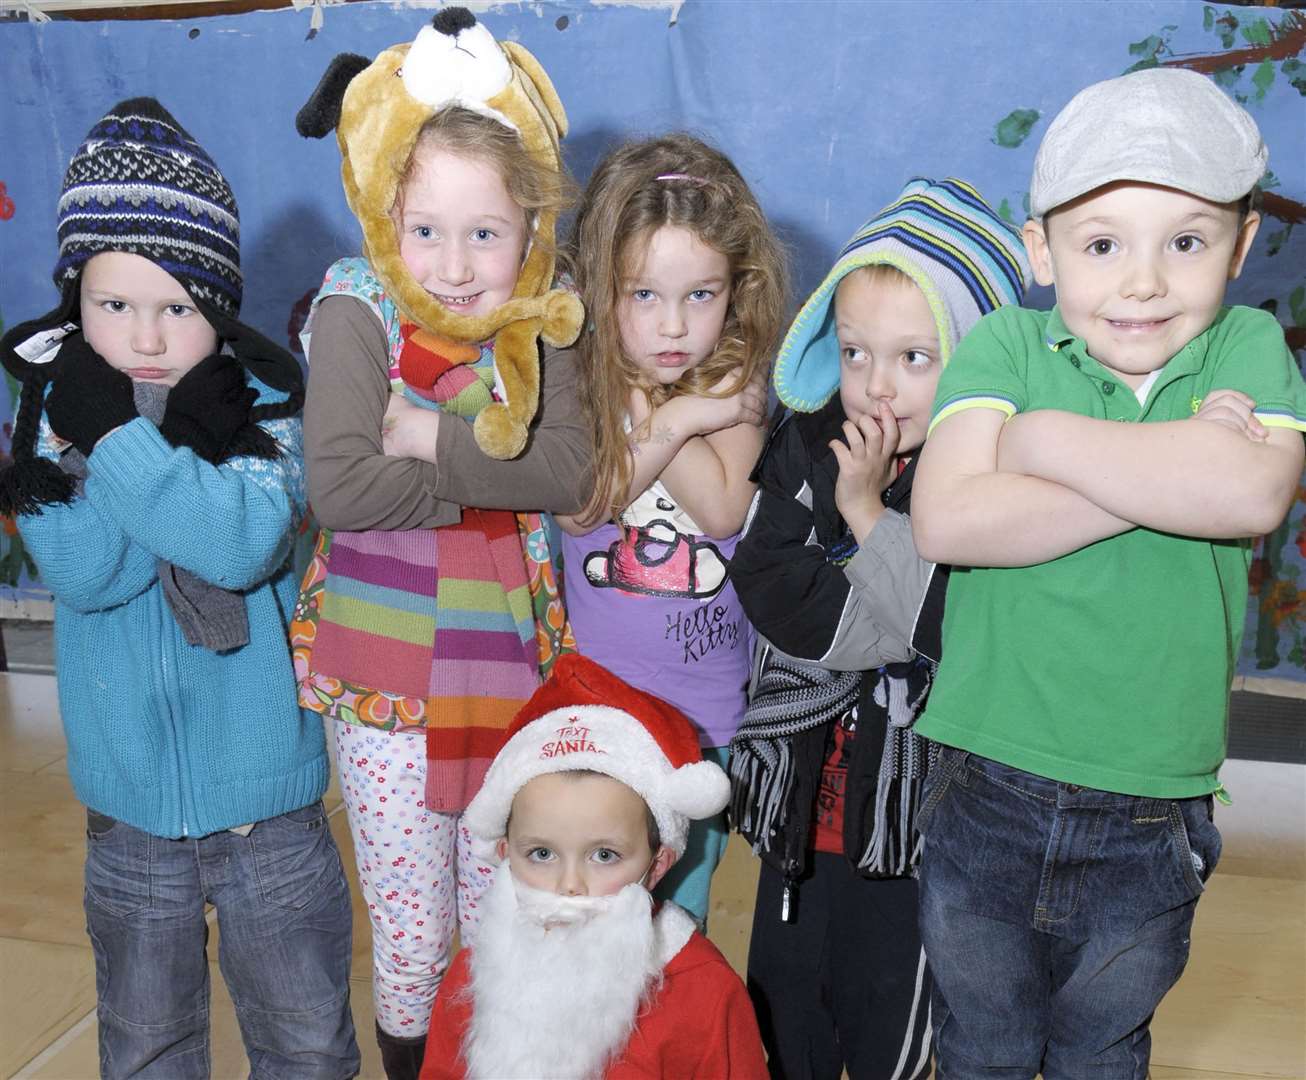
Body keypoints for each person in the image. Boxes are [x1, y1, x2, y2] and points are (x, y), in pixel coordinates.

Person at [910, 68, 1306, 1076]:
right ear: (1040, 248)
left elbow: (1251, 499)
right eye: (1100, 244)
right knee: (983, 1046)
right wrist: (1175, 461)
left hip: (1151, 804)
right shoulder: (1003, 343)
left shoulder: (1247, 346)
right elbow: (950, 518)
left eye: (1186, 240)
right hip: (986, 778)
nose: (1143, 282)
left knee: (1102, 1046)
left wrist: (1040, 442)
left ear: (1243, 242)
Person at [0, 98, 359, 1079]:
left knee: (307, 1042)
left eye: (179, 307)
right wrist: (138, 453)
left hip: (270, 812)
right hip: (128, 815)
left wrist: (115, 442)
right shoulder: (42, 429)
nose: (147, 337)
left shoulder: (271, 413)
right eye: (115, 307)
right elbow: (81, 571)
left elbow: (236, 545)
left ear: (223, 309)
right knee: (146, 1043)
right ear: (75, 306)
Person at [288, 10, 589, 1076]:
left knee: (501, 921)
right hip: (384, 684)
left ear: (529, 225)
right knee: (413, 935)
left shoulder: (547, 319)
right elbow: (339, 483)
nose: (456, 266)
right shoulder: (357, 309)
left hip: (511, 680)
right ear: (384, 218)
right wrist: (490, 480)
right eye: (426, 229)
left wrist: (424, 438)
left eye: (485, 232)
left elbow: (565, 473)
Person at [729, 178, 1030, 1079]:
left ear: (975, 359)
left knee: (888, 1019)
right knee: (784, 1014)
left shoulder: (991, 471)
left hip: (913, 832)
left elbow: (947, 629)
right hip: (799, 809)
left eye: (913, 358)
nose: (876, 386)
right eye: (856, 353)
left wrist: (865, 519)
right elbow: (768, 581)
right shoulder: (806, 437)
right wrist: (883, 613)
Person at [556, 133, 787, 924]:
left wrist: (656, 409)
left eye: (701, 295)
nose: (673, 327)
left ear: (736, 289)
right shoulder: (583, 377)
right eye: (643, 295)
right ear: (597, 287)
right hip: (594, 713)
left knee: (673, 926)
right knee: (593, 917)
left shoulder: (737, 374)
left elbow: (724, 508)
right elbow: (585, 503)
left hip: (704, 720)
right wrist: (682, 412)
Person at [419, 653, 769, 1079]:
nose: (570, 885)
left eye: (604, 855)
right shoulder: (473, 977)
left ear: (658, 864)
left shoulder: (707, 993)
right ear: (505, 853)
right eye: (542, 854)